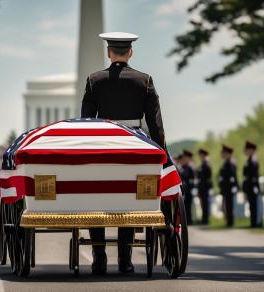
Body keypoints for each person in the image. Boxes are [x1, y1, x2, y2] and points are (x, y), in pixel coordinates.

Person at [81, 32, 166, 274]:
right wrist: (163, 154)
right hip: (134, 145)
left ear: (109, 53)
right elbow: (155, 123)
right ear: (130, 52)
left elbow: (86, 119)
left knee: (95, 199)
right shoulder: (144, 80)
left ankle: (99, 258)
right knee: (129, 199)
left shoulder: (94, 80)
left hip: (102, 146)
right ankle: (125, 260)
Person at [242, 141, 262, 227]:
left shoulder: (253, 160)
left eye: (247, 149)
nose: (246, 151)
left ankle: (256, 223)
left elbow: (254, 175)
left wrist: (254, 186)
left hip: (252, 186)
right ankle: (253, 222)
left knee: (254, 205)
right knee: (251, 205)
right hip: (249, 186)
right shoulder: (249, 160)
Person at [218, 145, 238, 227]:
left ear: (229, 154)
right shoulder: (226, 163)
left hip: (229, 187)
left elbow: (232, 176)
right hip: (225, 188)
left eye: (224, 153)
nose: (223, 155)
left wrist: (234, 186)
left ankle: (230, 222)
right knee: (226, 205)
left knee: (229, 205)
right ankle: (228, 221)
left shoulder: (231, 163)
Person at [197, 149, 213, 225]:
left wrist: (210, 188)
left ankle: (205, 220)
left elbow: (209, 178)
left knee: (205, 204)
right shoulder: (202, 165)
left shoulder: (207, 165)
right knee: (203, 204)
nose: (199, 157)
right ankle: (203, 219)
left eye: (200, 155)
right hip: (201, 188)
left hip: (205, 188)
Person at [180, 150, 196, 225]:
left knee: (189, 206)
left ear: (189, 158)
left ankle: (190, 220)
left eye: (185, 158)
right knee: (185, 206)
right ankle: (186, 221)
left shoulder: (191, 167)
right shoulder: (183, 167)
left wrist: (193, 188)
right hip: (184, 189)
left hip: (189, 189)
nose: (184, 159)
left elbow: (193, 179)